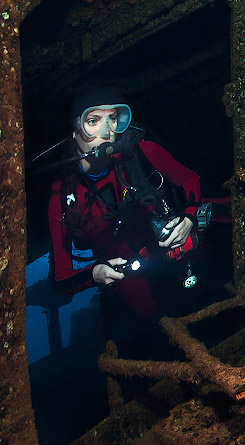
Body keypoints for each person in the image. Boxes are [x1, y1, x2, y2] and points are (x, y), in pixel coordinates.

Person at [47, 86, 203, 337]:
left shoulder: (140, 153)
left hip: (160, 245)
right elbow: (61, 279)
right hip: (124, 271)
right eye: (93, 121)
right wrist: (94, 274)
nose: (107, 131)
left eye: (113, 119)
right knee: (148, 316)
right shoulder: (60, 198)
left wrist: (188, 218)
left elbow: (190, 179)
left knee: (199, 260)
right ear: (75, 131)